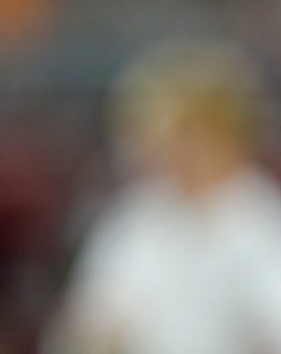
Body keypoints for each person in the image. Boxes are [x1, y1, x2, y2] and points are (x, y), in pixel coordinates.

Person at [44, 40, 281, 354]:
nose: (144, 148)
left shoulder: (263, 221)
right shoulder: (135, 215)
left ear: (210, 132)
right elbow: (87, 325)